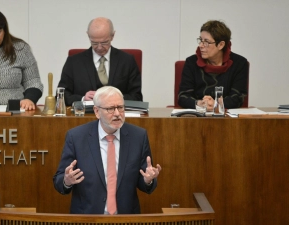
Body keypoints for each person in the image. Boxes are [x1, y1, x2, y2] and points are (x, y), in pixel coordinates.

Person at [53, 86, 161, 214]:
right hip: (87, 219)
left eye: (120, 107)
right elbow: (59, 181)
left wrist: (148, 180)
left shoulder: (138, 136)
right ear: (97, 111)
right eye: (110, 109)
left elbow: (144, 182)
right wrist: (67, 181)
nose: (117, 114)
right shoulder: (76, 137)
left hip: (126, 219)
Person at [57, 17, 142, 106]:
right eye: (94, 43)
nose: (99, 47)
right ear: (88, 36)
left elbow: (137, 97)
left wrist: (112, 99)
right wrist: (82, 99)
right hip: (84, 116)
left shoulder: (127, 61)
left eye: (104, 42)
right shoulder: (73, 62)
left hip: (116, 115)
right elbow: (61, 95)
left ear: (112, 36)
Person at [178, 20, 248, 111]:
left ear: (221, 45)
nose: (201, 45)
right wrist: (199, 103)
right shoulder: (191, 62)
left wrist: (215, 104)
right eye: (200, 40)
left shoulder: (239, 63)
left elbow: (237, 97)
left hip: (227, 117)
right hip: (197, 116)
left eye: (206, 42)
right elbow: (183, 96)